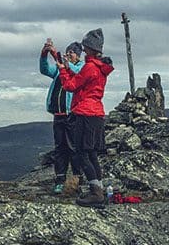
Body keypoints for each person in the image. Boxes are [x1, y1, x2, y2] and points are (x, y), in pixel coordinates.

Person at [57, 27, 114, 207]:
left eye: (85, 46)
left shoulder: (89, 67)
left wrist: (63, 71)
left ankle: (95, 194)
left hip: (84, 113)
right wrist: (69, 68)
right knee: (92, 154)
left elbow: (71, 86)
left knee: (82, 153)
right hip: (97, 113)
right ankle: (99, 190)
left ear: (89, 48)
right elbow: (84, 79)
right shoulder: (99, 68)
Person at [40, 38, 84, 194]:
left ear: (78, 56)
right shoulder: (60, 71)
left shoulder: (81, 68)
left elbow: (76, 72)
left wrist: (57, 57)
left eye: (71, 53)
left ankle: (77, 179)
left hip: (72, 114)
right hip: (58, 114)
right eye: (67, 52)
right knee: (60, 148)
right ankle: (60, 180)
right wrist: (44, 54)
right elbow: (45, 70)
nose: (68, 55)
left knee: (73, 147)